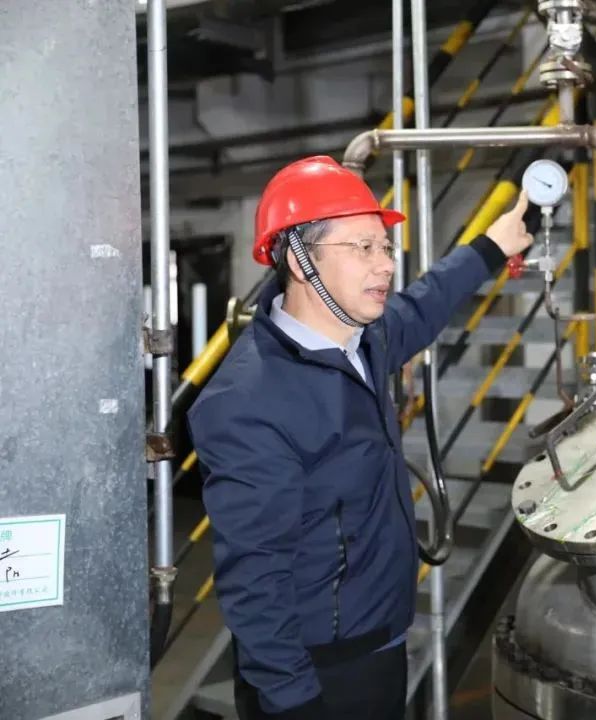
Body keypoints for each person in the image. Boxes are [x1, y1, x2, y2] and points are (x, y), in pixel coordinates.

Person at [187, 155, 534, 720]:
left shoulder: (364, 339)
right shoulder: (248, 401)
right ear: (299, 260)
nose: (386, 264)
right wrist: (292, 701)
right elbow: (255, 578)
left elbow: (425, 303)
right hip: (319, 674)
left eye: (385, 246)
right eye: (363, 247)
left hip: (382, 644)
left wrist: (491, 247)